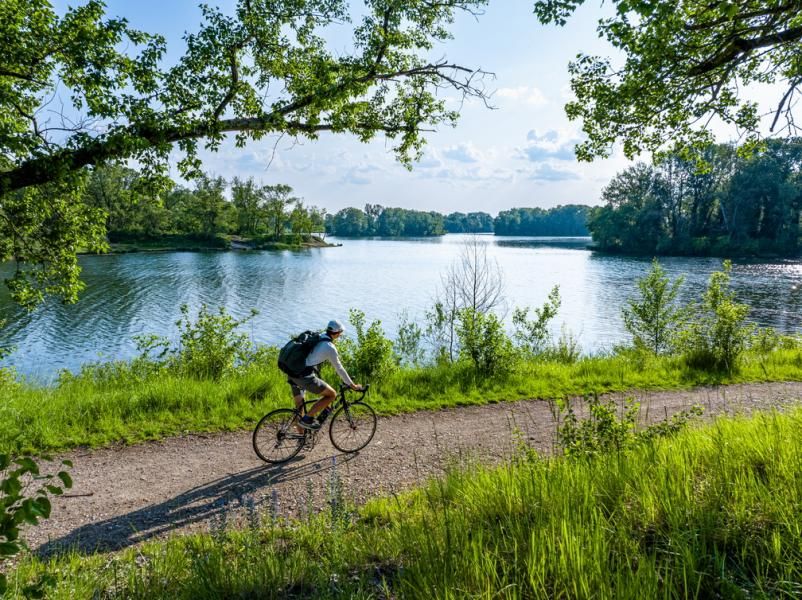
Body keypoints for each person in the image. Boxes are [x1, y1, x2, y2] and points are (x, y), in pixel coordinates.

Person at [287, 319, 363, 430]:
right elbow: (339, 368)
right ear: (337, 333)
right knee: (332, 395)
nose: (340, 335)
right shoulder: (330, 347)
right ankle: (308, 419)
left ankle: (301, 440)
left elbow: (312, 358)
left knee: (300, 408)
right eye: (340, 333)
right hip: (303, 376)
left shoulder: (318, 337)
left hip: (293, 372)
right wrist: (353, 385)